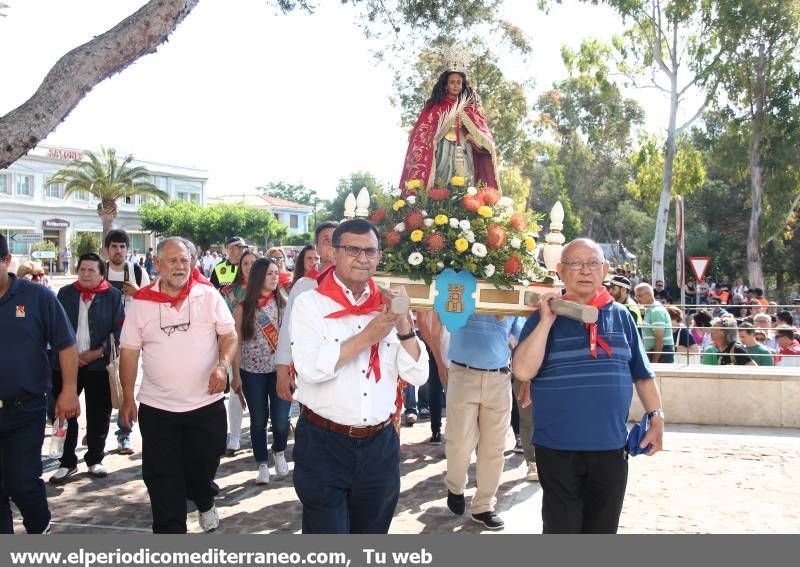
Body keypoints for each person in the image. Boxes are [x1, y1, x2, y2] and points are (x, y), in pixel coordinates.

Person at [512, 238, 663, 534]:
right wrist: (545, 322)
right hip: (557, 448)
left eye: (592, 263)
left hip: (610, 447)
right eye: (576, 264)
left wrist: (657, 417)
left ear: (604, 269)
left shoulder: (622, 317)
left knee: (603, 531)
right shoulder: (542, 317)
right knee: (562, 531)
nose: (585, 271)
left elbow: (643, 375)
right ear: (560, 270)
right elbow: (523, 370)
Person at [290, 219, 428, 534]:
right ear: (333, 252)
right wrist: (368, 336)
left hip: (380, 446)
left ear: (379, 257)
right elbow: (310, 368)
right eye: (353, 249)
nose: (362, 258)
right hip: (324, 444)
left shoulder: (386, 305)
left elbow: (418, 375)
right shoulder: (310, 303)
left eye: (370, 251)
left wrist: (404, 325)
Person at [118, 237, 237, 533]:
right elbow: (129, 352)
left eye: (184, 260)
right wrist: (127, 398)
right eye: (172, 260)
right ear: (156, 264)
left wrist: (222, 366)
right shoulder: (141, 303)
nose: (180, 266)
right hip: (158, 410)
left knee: (202, 469)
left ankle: (204, 498)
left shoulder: (208, 296)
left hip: (205, 407)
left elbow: (229, 335)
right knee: (163, 481)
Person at [0, 234, 80, 534]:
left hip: (26, 407)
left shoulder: (37, 297)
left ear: (7, 261)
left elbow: (66, 344)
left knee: (22, 483)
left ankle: (39, 526)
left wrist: (69, 390)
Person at [444, 312, 524, 530]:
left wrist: (511, 339)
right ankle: (455, 486)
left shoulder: (513, 288)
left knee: (494, 447)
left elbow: (519, 327)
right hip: (463, 373)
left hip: (499, 377)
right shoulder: (461, 283)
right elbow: (447, 318)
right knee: (459, 442)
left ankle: (484, 505)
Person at [49, 253, 124, 484]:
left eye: (92, 270)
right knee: (65, 412)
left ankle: (95, 458)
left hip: (98, 365)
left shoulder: (112, 295)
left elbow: (118, 331)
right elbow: (55, 326)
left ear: (102, 273)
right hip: (66, 362)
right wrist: (69, 354)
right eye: (82, 269)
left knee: (98, 412)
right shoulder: (65, 293)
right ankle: (66, 461)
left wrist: (97, 352)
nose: (86, 274)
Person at [399, 48, 498, 191]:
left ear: (463, 84)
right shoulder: (435, 106)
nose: (455, 85)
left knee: (465, 179)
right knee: (442, 180)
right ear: (446, 84)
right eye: (452, 82)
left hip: (464, 147)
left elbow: (483, 135)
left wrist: (470, 133)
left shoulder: (469, 107)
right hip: (442, 148)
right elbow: (422, 133)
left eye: (459, 82)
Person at [231, 258, 290, 484]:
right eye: (269, 274)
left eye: (276, 273)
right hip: (251, 372)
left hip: (280, 371)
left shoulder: (284, 303)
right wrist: (235, 376)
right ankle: (262, 463)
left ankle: (279, 450)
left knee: (281, 420)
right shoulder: (243, 307)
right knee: (258, 420)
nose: (275, 277)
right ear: (258, 277)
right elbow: (235, 343)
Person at [276, 221, 339, 401]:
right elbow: (288, 327)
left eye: (337, 239)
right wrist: (282, 370)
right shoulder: (304, 285)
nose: (333, 244)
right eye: (326, 240)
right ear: (317, 248)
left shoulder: (356, 281)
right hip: (311, 368)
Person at [103, 229, 150, 455]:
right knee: (101, 388)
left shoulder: (138, 272)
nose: (118, 251)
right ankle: (96, 434)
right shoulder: (98, 270)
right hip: (102, 339)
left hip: (130, 340)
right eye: (114, 246)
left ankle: (125, 434)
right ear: (107, 249)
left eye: (122, 247)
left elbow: (152, 302)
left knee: (126, 385)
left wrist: (137, 292)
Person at [220, 250, 257, 456]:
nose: (249, 267)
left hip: (262, 351)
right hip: (236, 348)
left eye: (253, 263)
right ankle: (234, 436)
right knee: (236, 391)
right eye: (245, 263)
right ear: (240, 267)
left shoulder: (268, 289)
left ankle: (256, 434)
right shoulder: (229, 292)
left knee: (260, 397)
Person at [634, 283, 675, 363]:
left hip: (661, 354)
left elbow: (659, 339)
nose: (637, 299)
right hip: (658, 353)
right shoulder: (651, 309)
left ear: (649, 294)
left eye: (639, 295)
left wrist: (654, 362)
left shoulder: (656, 311)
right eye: (636, 296)